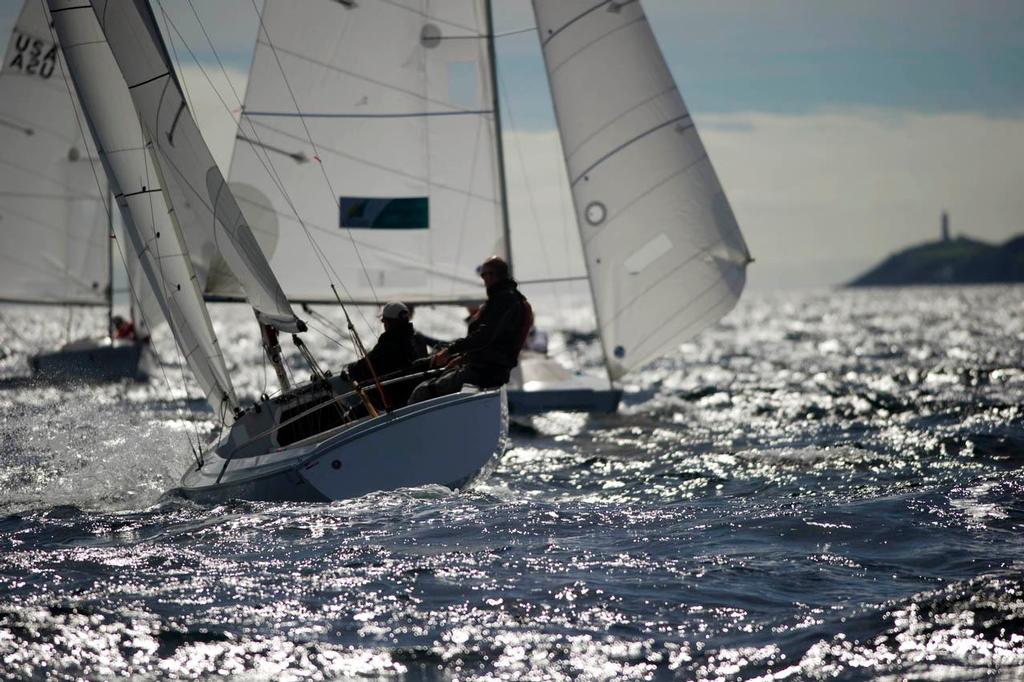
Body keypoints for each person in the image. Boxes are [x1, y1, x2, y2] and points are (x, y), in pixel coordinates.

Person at [409, 256, 532, 403]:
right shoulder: (513, 299)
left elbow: (485, 336)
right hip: (490, 372)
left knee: (422, 391)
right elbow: (496, 341)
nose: (483, 279)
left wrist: (450, 351)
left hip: (483, 373)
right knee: (438, 379)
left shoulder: (504, 300)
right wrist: (462, 358)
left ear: (491, 275)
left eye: (483, 275)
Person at [344, 301, 427, 410]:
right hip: (421, 397)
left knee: (354, 412)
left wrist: (349, 369)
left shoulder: (388, 345)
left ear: (388, 323)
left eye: (384, 322)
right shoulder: (419, 340)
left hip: (396, 405)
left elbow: (363, 369)